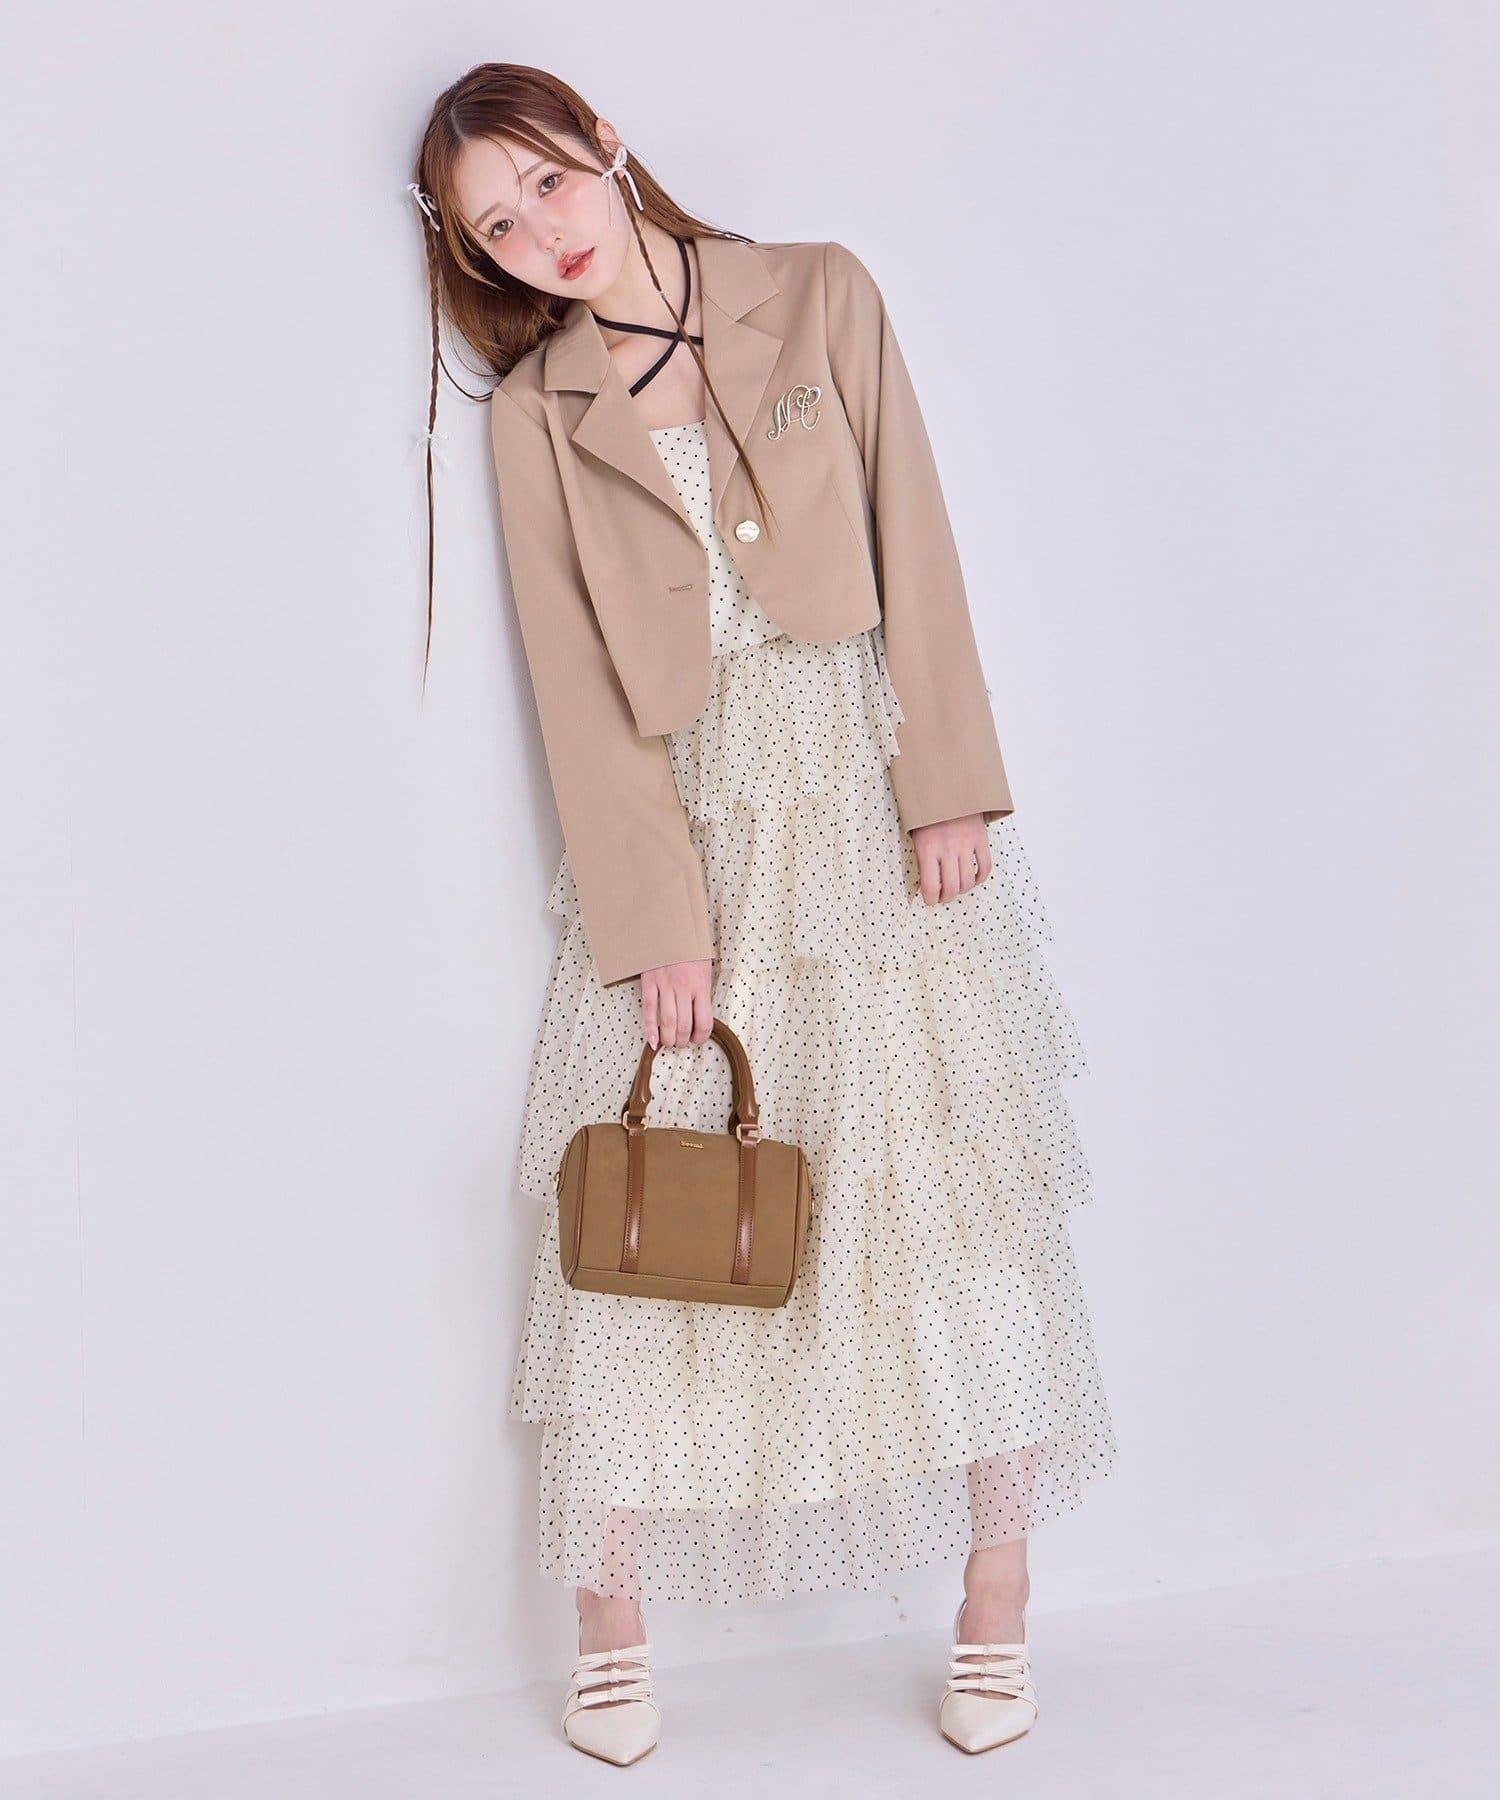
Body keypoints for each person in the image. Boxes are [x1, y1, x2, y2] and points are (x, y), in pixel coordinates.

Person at [410, 61, 1116, 1765]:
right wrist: (657, 916)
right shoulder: (534, 414)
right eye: (496, 229)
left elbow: (915, 539)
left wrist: (948, 779)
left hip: (872, 797)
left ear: (605, 145)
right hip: (696, 821)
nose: (539, 236)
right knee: (640, 1213)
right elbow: (574, 686)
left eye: (546, 184)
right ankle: (611, 1627)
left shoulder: (819, 292)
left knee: (952, 1202)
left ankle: (998, 1599)